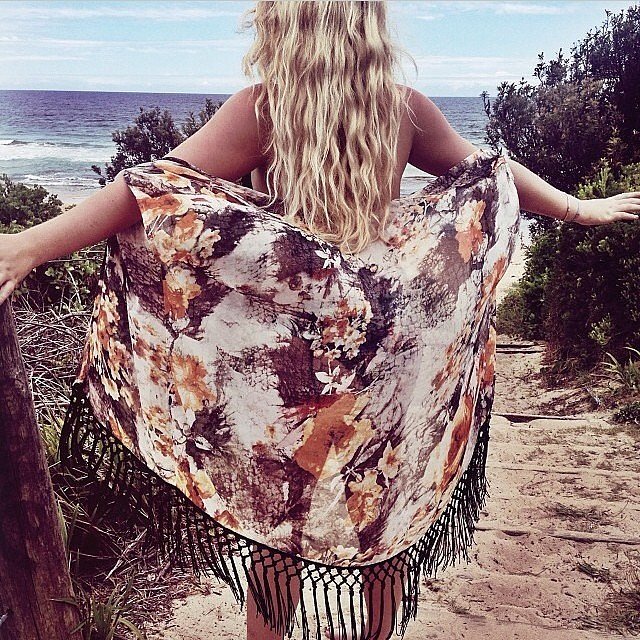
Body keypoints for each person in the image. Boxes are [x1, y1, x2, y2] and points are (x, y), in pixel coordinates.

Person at [0, 2, 638, 639]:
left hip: (300, 349)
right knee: (385, 506)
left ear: (286, 24)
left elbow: (149, 189)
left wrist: (30, 244)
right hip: (386, 342)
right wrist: (578, 208)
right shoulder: (403, 108)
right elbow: (492, 174)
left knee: (283, 524)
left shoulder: (265, 108)